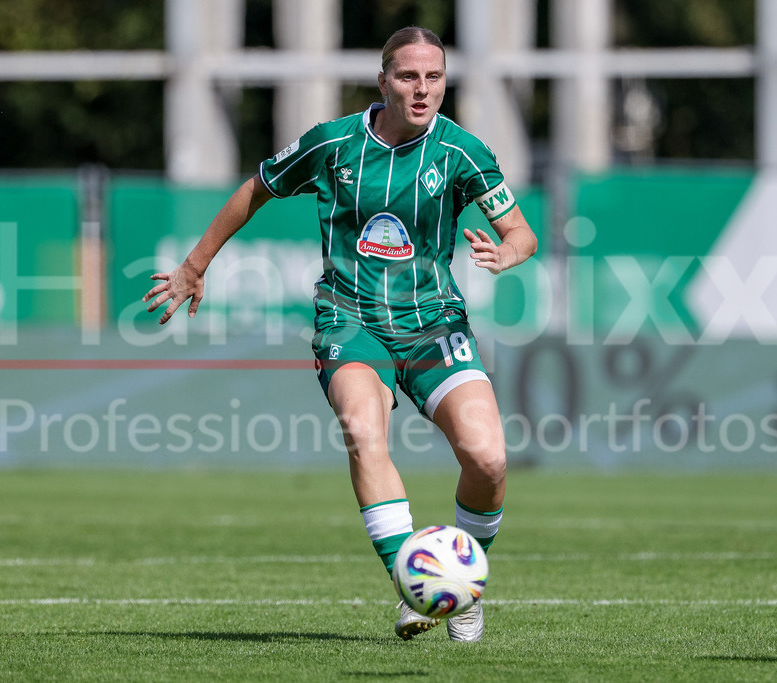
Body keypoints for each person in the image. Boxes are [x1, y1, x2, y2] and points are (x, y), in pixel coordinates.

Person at [143, 26, 538, 640]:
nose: (423, 89)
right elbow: (256, 190)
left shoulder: (463, 152)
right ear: (383, 81)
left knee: (488, 459)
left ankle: (461, 586)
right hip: (350, 319)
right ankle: (414, 584)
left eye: (434, 77)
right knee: (363, 430)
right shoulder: (332, 143)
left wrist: (506, 254)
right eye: (408, 76)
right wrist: (195, 266)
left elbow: (522, 234)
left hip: (434, 323)